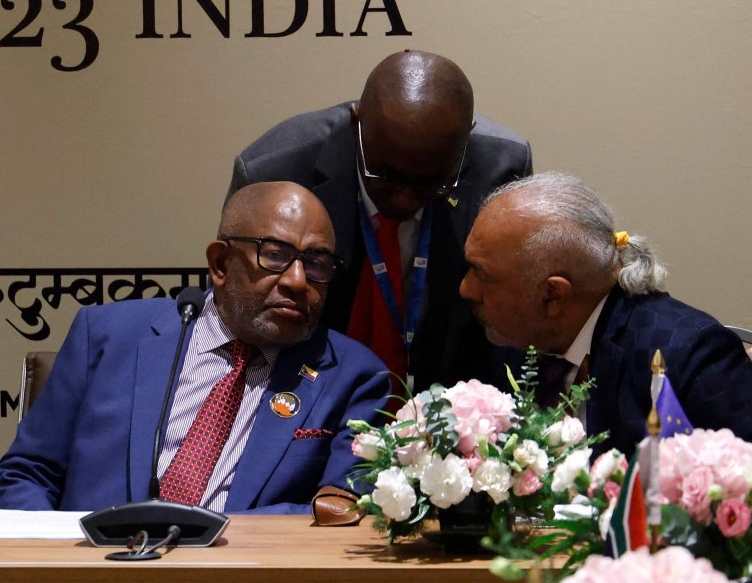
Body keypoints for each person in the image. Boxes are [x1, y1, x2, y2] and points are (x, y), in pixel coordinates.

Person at [0, 183, 390, 513]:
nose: (298, 280)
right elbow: (27, 474)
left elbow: (344, 513)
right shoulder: (107, 336)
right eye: (275, 255)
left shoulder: (353, 377)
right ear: (219, 264)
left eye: (317, 263)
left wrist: (208, 540)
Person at [226, 50, 532, 392]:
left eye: (430, 182)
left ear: (466, 140)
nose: (404, 199)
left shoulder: (504, 170)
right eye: (385, 175)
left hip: (452, 401)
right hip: (304, 391)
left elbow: (509, 325)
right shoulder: (276, 172)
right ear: (356, 124)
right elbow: (240, 318)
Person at [460, 171, 752, 454]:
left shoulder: (684, 357)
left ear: (553, 295)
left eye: (482, 275)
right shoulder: (512, 338)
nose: (466, 289)